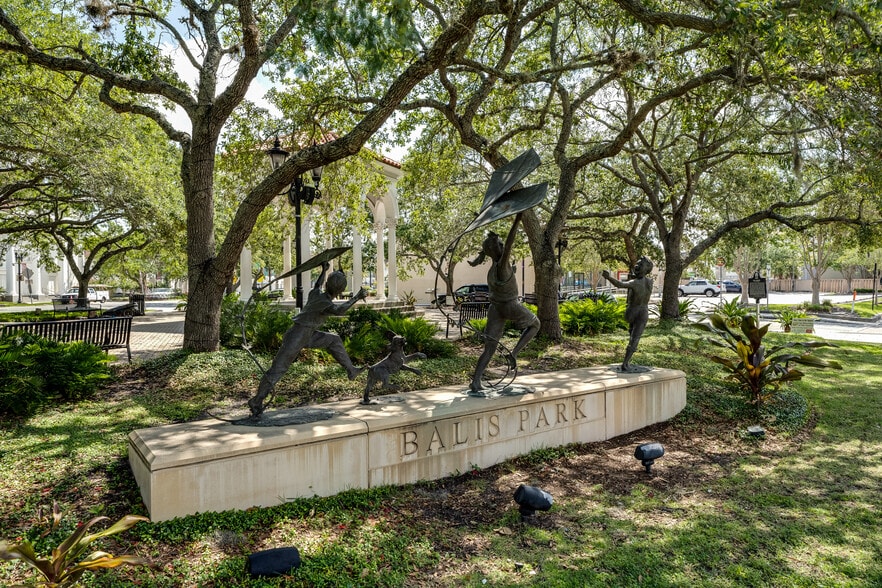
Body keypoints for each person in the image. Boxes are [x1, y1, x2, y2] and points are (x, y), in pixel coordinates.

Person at [248, 262, 367, 416]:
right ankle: (257, 400)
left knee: (334, 340)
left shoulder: (315, 294)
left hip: (308, 334)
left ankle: (351, 370)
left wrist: (323, 270)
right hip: (298, 335)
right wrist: (356, 297)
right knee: (278, 369)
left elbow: (317, 285)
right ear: (340, 290)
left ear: (327, 284)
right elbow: (338, 310)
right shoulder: (325, 303)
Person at [468, 213, 540, 393]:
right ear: (496, 250)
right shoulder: (501, 264)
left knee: (490, 348)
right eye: (500, 245)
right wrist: (518, 220)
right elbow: (509, 242)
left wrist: (512, 272)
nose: (503, 246)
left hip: (495, 309)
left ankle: (476, 381)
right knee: (536, 324)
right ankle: (513, 353)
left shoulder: (493, 269)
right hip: (509, 306)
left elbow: (503, 280)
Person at [602, 257, 654, 372]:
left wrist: (608, 277)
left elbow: (619, 284)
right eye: (638, 264)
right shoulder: (650, 282)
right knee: (635, 337)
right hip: (644, 312)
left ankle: (625, 363)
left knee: (633, 337)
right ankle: (626, 361)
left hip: (633, 311)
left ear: (646, 269)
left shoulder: (635, 283)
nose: (637, 266)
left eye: (640, 265)